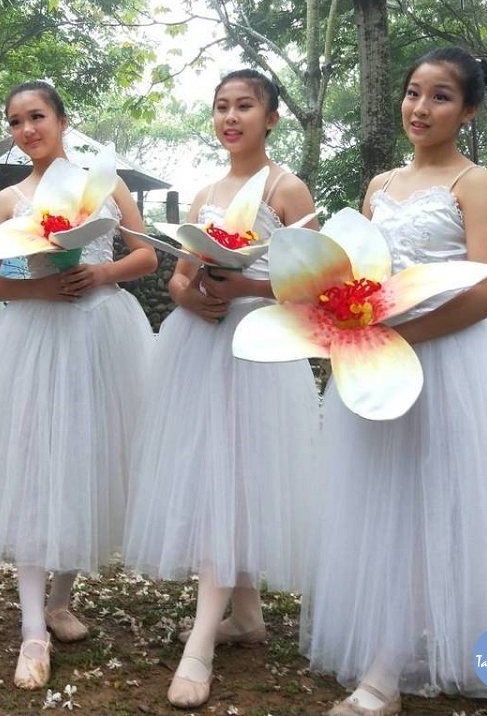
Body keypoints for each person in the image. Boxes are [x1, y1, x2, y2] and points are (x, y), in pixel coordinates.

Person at [301, 48, 487, 715]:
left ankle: (389, 669)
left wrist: (408, 337)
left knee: (445, 502)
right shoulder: (377, 185)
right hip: (377, 358)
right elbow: (363, 271)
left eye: (440, 97)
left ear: (469, 109)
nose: (420, 108)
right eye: (413, 93)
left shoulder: (474, 182)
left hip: (455, 359)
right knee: (384, 499)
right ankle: (392, 646)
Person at [123, 69, 320, 709]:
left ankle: (201, 642)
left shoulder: (289, 191)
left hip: (260, 346)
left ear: (271, 118)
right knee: (210, 471)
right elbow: (180, 276)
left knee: (238, 472)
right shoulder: (205, 191)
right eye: (221, 108)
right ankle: (247, 616)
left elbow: (313, 283)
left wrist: (246, 289)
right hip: (198, 345)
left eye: (244, 107)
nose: (231, 118)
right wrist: (192, 294)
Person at [0, 80, 158, 691]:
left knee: (88, 461)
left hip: (103, 332)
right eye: (15, 122)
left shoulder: (104, 182)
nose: (26, 130)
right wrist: (38, 287)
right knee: (34, 467)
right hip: (36, 337)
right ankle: (31, 628)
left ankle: (62, 600)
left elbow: (146, 256)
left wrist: (102, 272)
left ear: (62, 120)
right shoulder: (8, 200)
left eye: (36, 117)